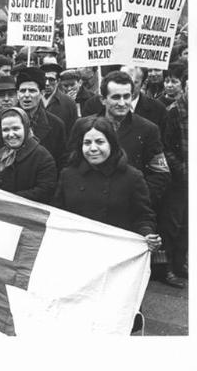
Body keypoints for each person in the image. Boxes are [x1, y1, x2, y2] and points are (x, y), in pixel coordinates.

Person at [54, 115, 161, 247]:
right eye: (87, 143)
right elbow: (58, 216)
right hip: (79, 248)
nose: (93, 148)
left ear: (112, 143)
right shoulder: (68, 176)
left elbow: (143, 217)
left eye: (99, 142)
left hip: (117, 250)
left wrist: (147, 234)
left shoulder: (132, 177)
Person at [70, 70, 170, 209]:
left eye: (127, 96)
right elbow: (71, 165)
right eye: (116, 97)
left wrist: (140, 200)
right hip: (88, 207)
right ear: (103, 99)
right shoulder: (83, 126)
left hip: (128, 212)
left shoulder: (148, 130)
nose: (122, 103)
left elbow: (159, 174)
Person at [0, 67, 67, 170]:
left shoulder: (56, 125)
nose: (26, 95)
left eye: (32, 91)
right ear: (17, 94)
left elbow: (60, 163)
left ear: (42, 93)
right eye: (22, 91)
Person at [0, 108, 56, 203]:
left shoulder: (42, 157)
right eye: (6, 130)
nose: (11, 134)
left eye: (16, 128)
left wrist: (8, 198)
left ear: (26, 128)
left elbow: (45, 192)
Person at [159, 70, 188, 288]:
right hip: (179, 179)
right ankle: (167, 268)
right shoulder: (174, 111)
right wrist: (184, 170)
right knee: (173, 224)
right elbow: (166, 148)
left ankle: (180, 263)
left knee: (188, 224)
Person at [41, 63, 78, 135]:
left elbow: (73, 132)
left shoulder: (69, 103)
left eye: (51, 80)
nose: (47, 83)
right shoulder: (34, 100)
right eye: (44, 79)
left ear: (58, 81)